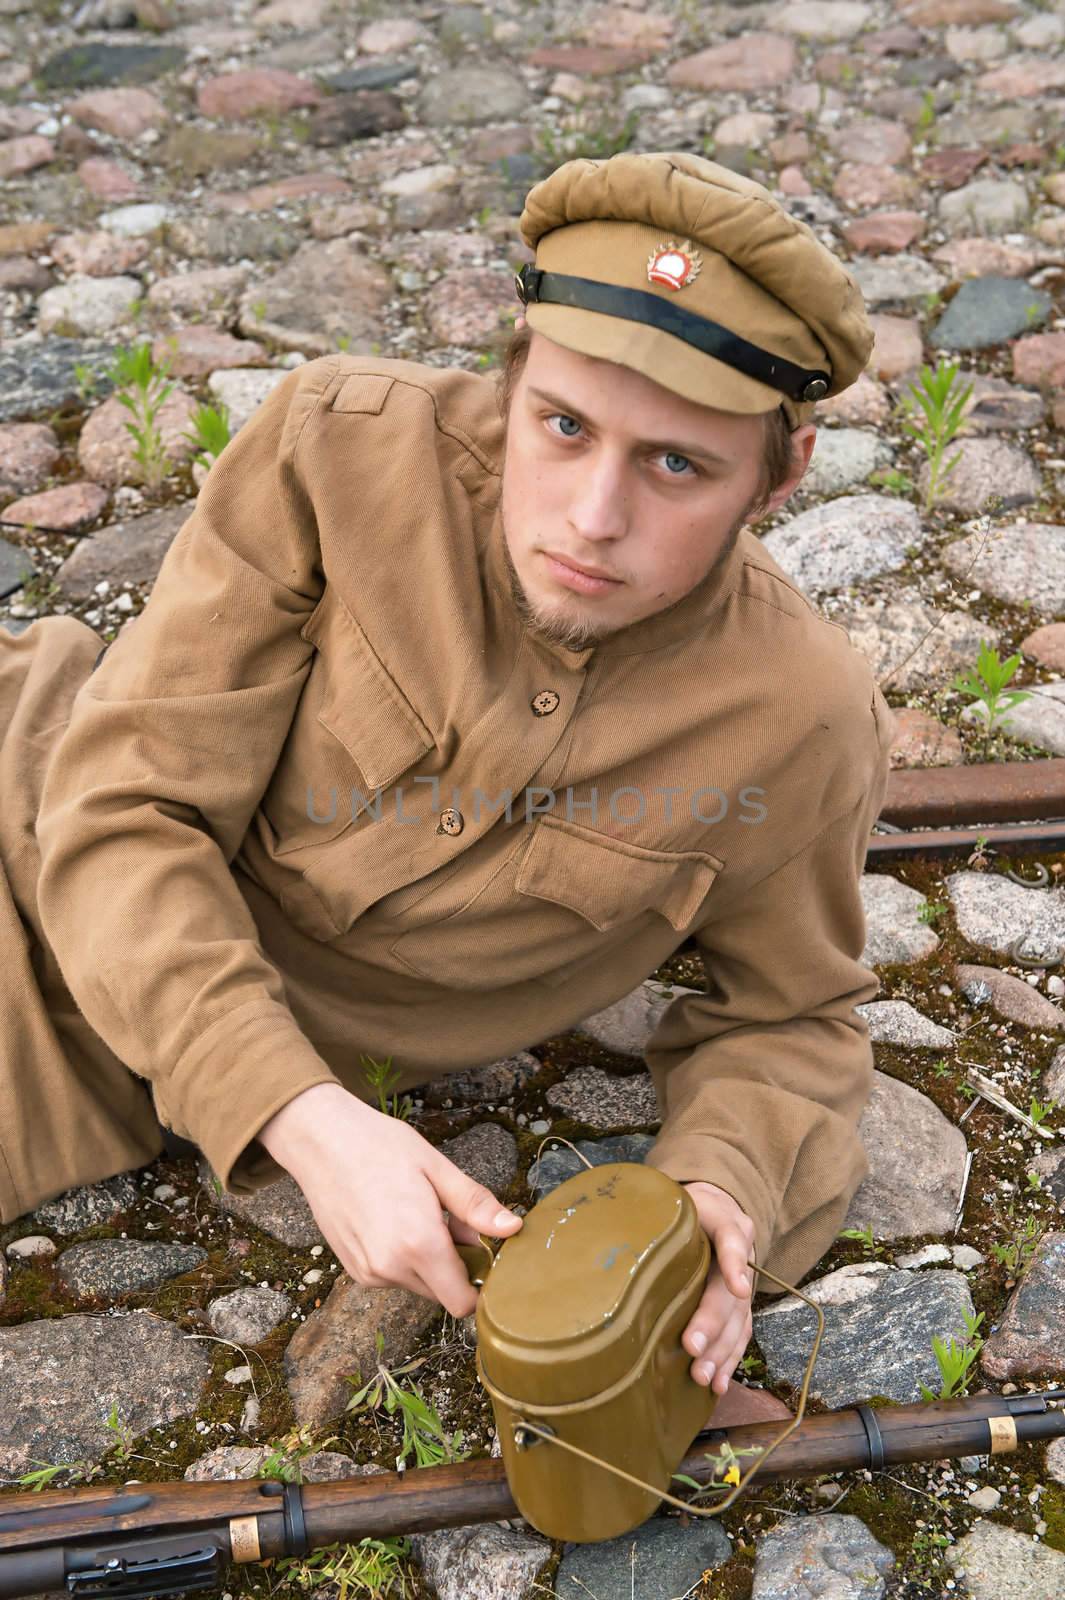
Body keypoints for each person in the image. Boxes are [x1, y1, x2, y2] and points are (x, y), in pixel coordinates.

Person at [0, 151, 892, 1402]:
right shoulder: (336, 444)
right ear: (511, 376)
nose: (591, 516)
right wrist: (307, 1119)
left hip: (57, 1036)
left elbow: (795, 1015)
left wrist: (717, 1191)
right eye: (564, 426)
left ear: (777, 478)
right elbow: (125, 803)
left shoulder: (800, 720)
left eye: (676, 465)